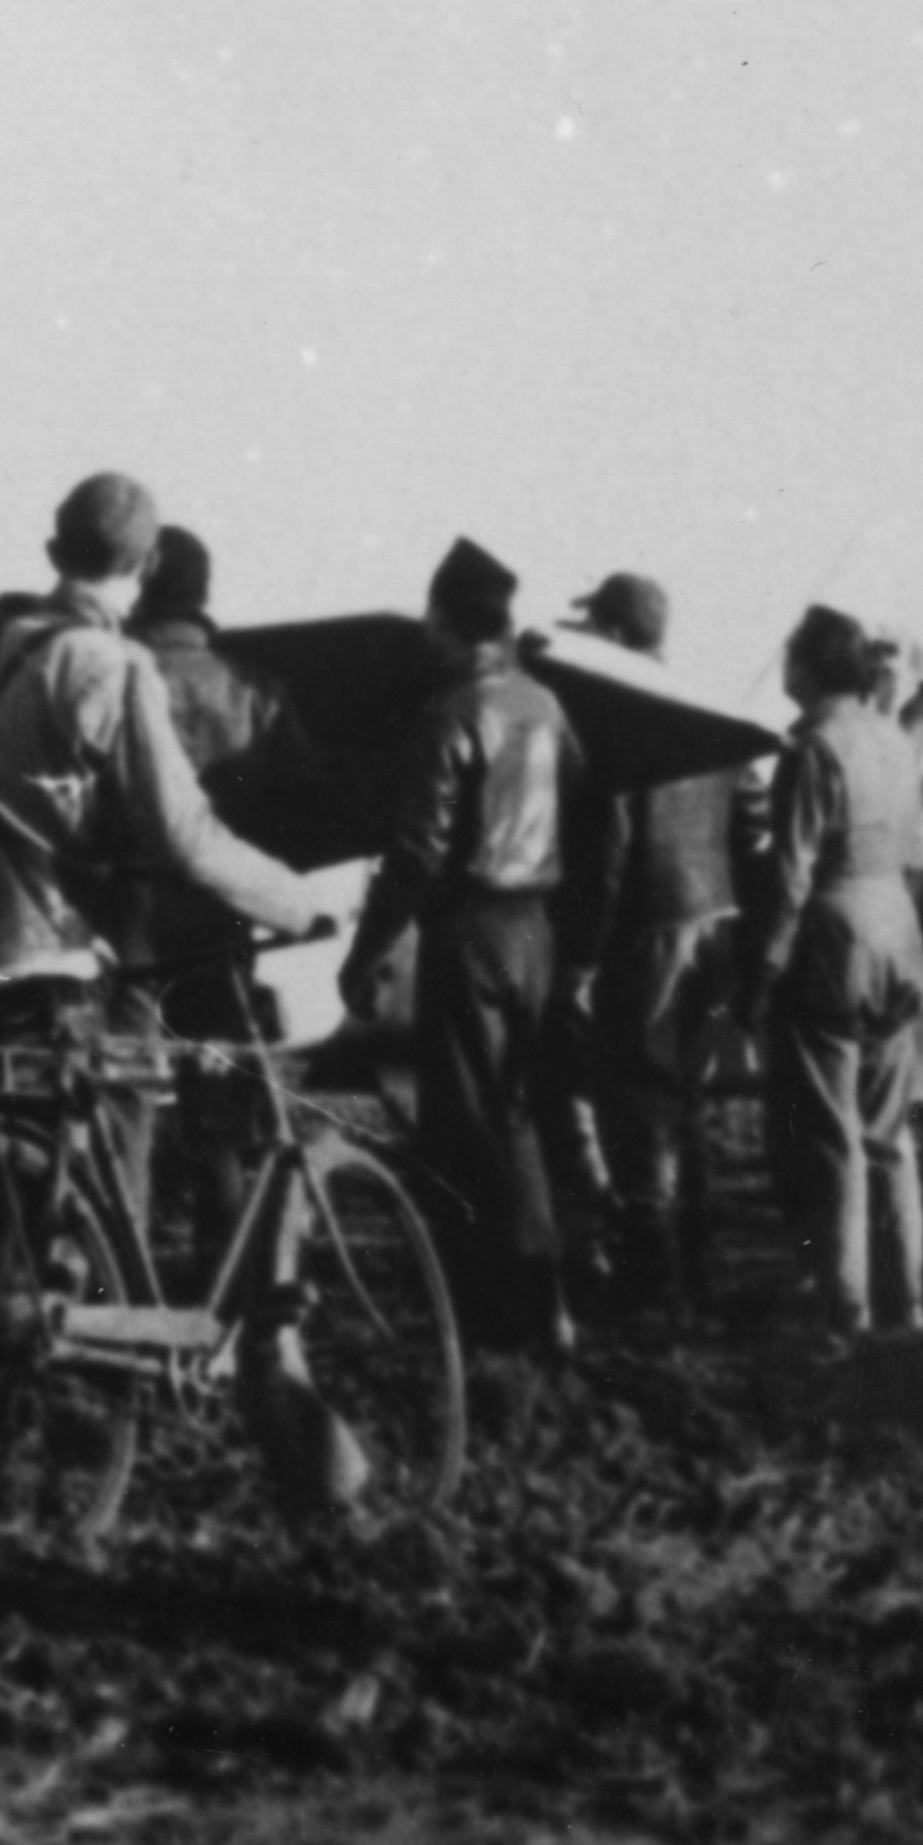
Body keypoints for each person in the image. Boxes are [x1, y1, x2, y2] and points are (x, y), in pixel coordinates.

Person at [0, 471, 352, 1066]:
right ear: (147, 567)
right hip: (30, 962)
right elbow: (184, 837)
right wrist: (298, 904)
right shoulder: (111, 664)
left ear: (52, 552)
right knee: (116, 1121)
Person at [342, 538, 589, 1366]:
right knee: (516, 1116)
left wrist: (368, 951)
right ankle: (546, 1303)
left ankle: (499, 1316)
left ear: (447, 623)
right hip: (535, 932)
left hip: (473, 933)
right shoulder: (545, 705)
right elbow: (580, 805)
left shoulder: (451, 714)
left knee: (469, 1128)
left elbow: (416, 853)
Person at [747, 600, 923, 1345]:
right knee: (892, 1134)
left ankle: (848, 1306)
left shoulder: (811, 749)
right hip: (898, 927)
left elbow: (790, 878)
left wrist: (764, 969)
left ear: (808, 666)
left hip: (835, 934)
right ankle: (910, 1303)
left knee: (835, 1138)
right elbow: (916, 861)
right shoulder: (893, 740)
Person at [548, 569, 736, 1319]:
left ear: (618, 635)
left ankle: (649, 1275)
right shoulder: (701, 709)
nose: (586, 638)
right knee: (683, 1096)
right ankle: (695, 1263)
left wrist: (583, 959)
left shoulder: (620, 715)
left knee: (633, 1091)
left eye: (594, 625)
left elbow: (612, 844)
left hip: (648, 923)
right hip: (710, 916)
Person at [123, 528, 311, 1046]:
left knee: (127, 1078)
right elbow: (299, 801)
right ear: (202, 596)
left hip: (125, 917)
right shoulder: (257, 690)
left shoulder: (111, 676)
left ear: (140, 587)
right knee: (220, 1066)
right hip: (222, 909)